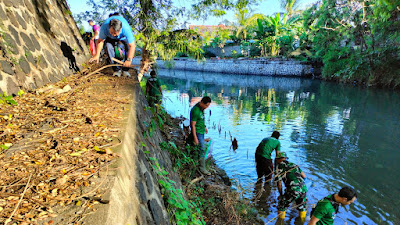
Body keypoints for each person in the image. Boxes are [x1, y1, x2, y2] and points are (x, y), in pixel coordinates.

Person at [274, 152, 307, 221]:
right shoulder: (293, 164)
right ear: (285, 158)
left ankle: (280, 222)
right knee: (302, 206)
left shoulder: (279, 168)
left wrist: (281, 195)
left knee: (282, 205)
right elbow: (304, 176)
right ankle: (302, 221)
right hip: (303, 188)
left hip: (293, 189)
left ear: (278, 159)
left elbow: (279, 184)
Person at [189, 96, 212, 175]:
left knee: (199, 147)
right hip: (197, 132)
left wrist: (204, 127)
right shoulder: (195, 111)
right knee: (202, 149)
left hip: (201, 131)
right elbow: (193, 125)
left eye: (208, 106)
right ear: (202, 102)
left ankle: (195, 162)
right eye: (206, 105)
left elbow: (201, 119)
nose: (206, 107)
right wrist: (195, 138)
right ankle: (202, 168)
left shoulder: (201, 109)